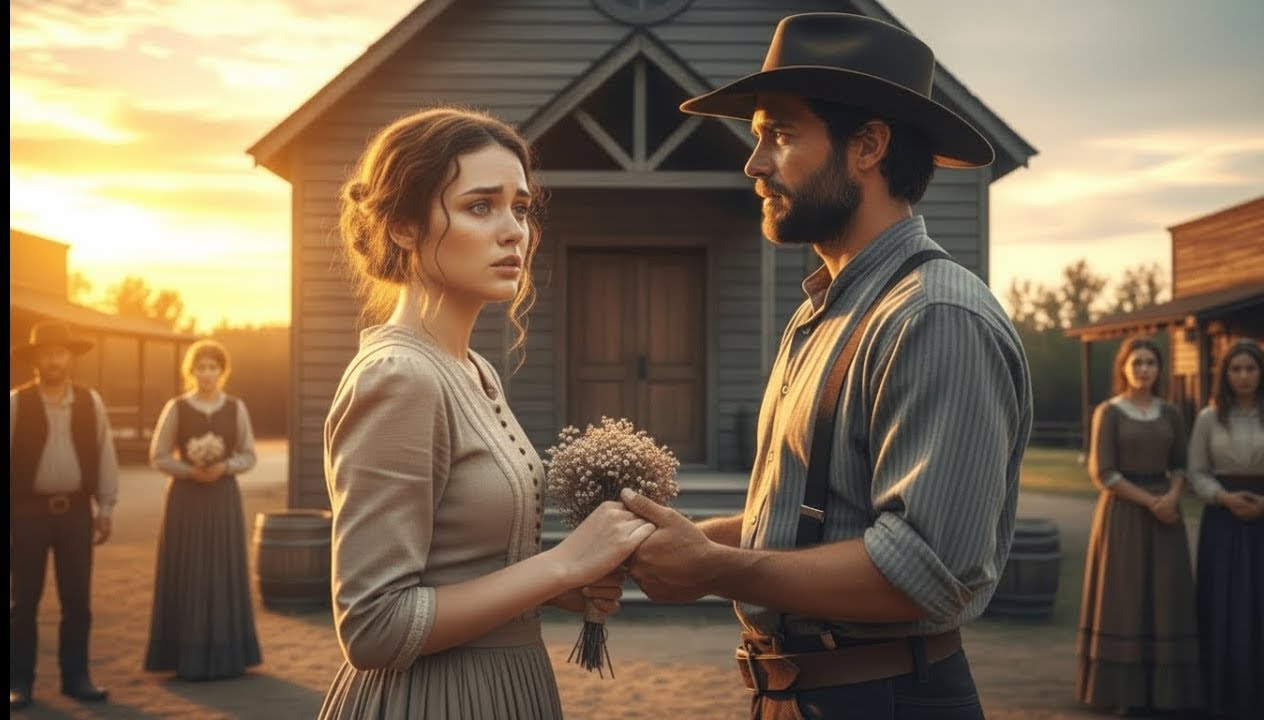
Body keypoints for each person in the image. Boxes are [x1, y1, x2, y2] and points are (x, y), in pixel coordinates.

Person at [618, 13, 1034, 719]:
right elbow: (803, 525)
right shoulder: (827, 310)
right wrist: (664, 540)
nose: (754, 163)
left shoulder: (934, 318)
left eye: (779, 134)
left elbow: (925, 571)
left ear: (868, 145)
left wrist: (715, 569)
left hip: (884, 700)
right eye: (757, 137)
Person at [317, 104, 655, 719]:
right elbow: (373, 627)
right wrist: (562, 564)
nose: (514, 231)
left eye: (520, 208)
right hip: (434, 699)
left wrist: (565, 587)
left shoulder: (474, 370)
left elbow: (461, 565)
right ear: (403, 227)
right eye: (480, 206)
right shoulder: (400, 376)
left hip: (509, 684)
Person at [1076, 335, 1201, 715]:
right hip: (1124, 515)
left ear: (1159, 369)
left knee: (1166, 597)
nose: (1144, 369)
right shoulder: (1109, 412)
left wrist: (1171, 498)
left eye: (1151, 362)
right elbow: (1104, 472)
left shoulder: (1171, 413)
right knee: (1124, 596)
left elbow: (1181, 464)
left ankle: (1165, 694)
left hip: (1166, 518)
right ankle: (1122, 693)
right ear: (1124, 367)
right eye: (1138, 362)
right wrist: (1151, 502)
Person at [9, 321, 117, 710]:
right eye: (46, 353)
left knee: (77, 601)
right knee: (23, 602)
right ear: (35, 359)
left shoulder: (91, 402)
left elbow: (105, 454)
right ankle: (19, 681)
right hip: (26, 513)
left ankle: (77, 678)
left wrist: (105, 508)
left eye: (60, 352)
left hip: (75, 512)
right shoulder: (17, 402)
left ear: (70, 357)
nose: (54, 359)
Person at [143, 338, 263, 680]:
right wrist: (189, 470)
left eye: (213, 367)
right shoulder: (176, 408)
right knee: (189, 568)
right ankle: (184, 655)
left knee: (222, 570)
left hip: (223, 498)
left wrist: (224, 467)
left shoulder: (236, 407)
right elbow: (159, 455)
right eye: (201, 367)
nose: (207, 374)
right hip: (185, 501)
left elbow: (250, 454)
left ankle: (229, 656)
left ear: (222, 372)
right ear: (190, 371)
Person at [1187, 339, 1264, 719]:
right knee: (1224, 604)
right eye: (1235, 369)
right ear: (1225, 374)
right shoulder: (1209, 417)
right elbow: (1197, 471)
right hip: (1223, 520)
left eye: (1250, 368)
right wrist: (1224, 498)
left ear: (1261, 372)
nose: (1243, 376)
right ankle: (1223, 696)